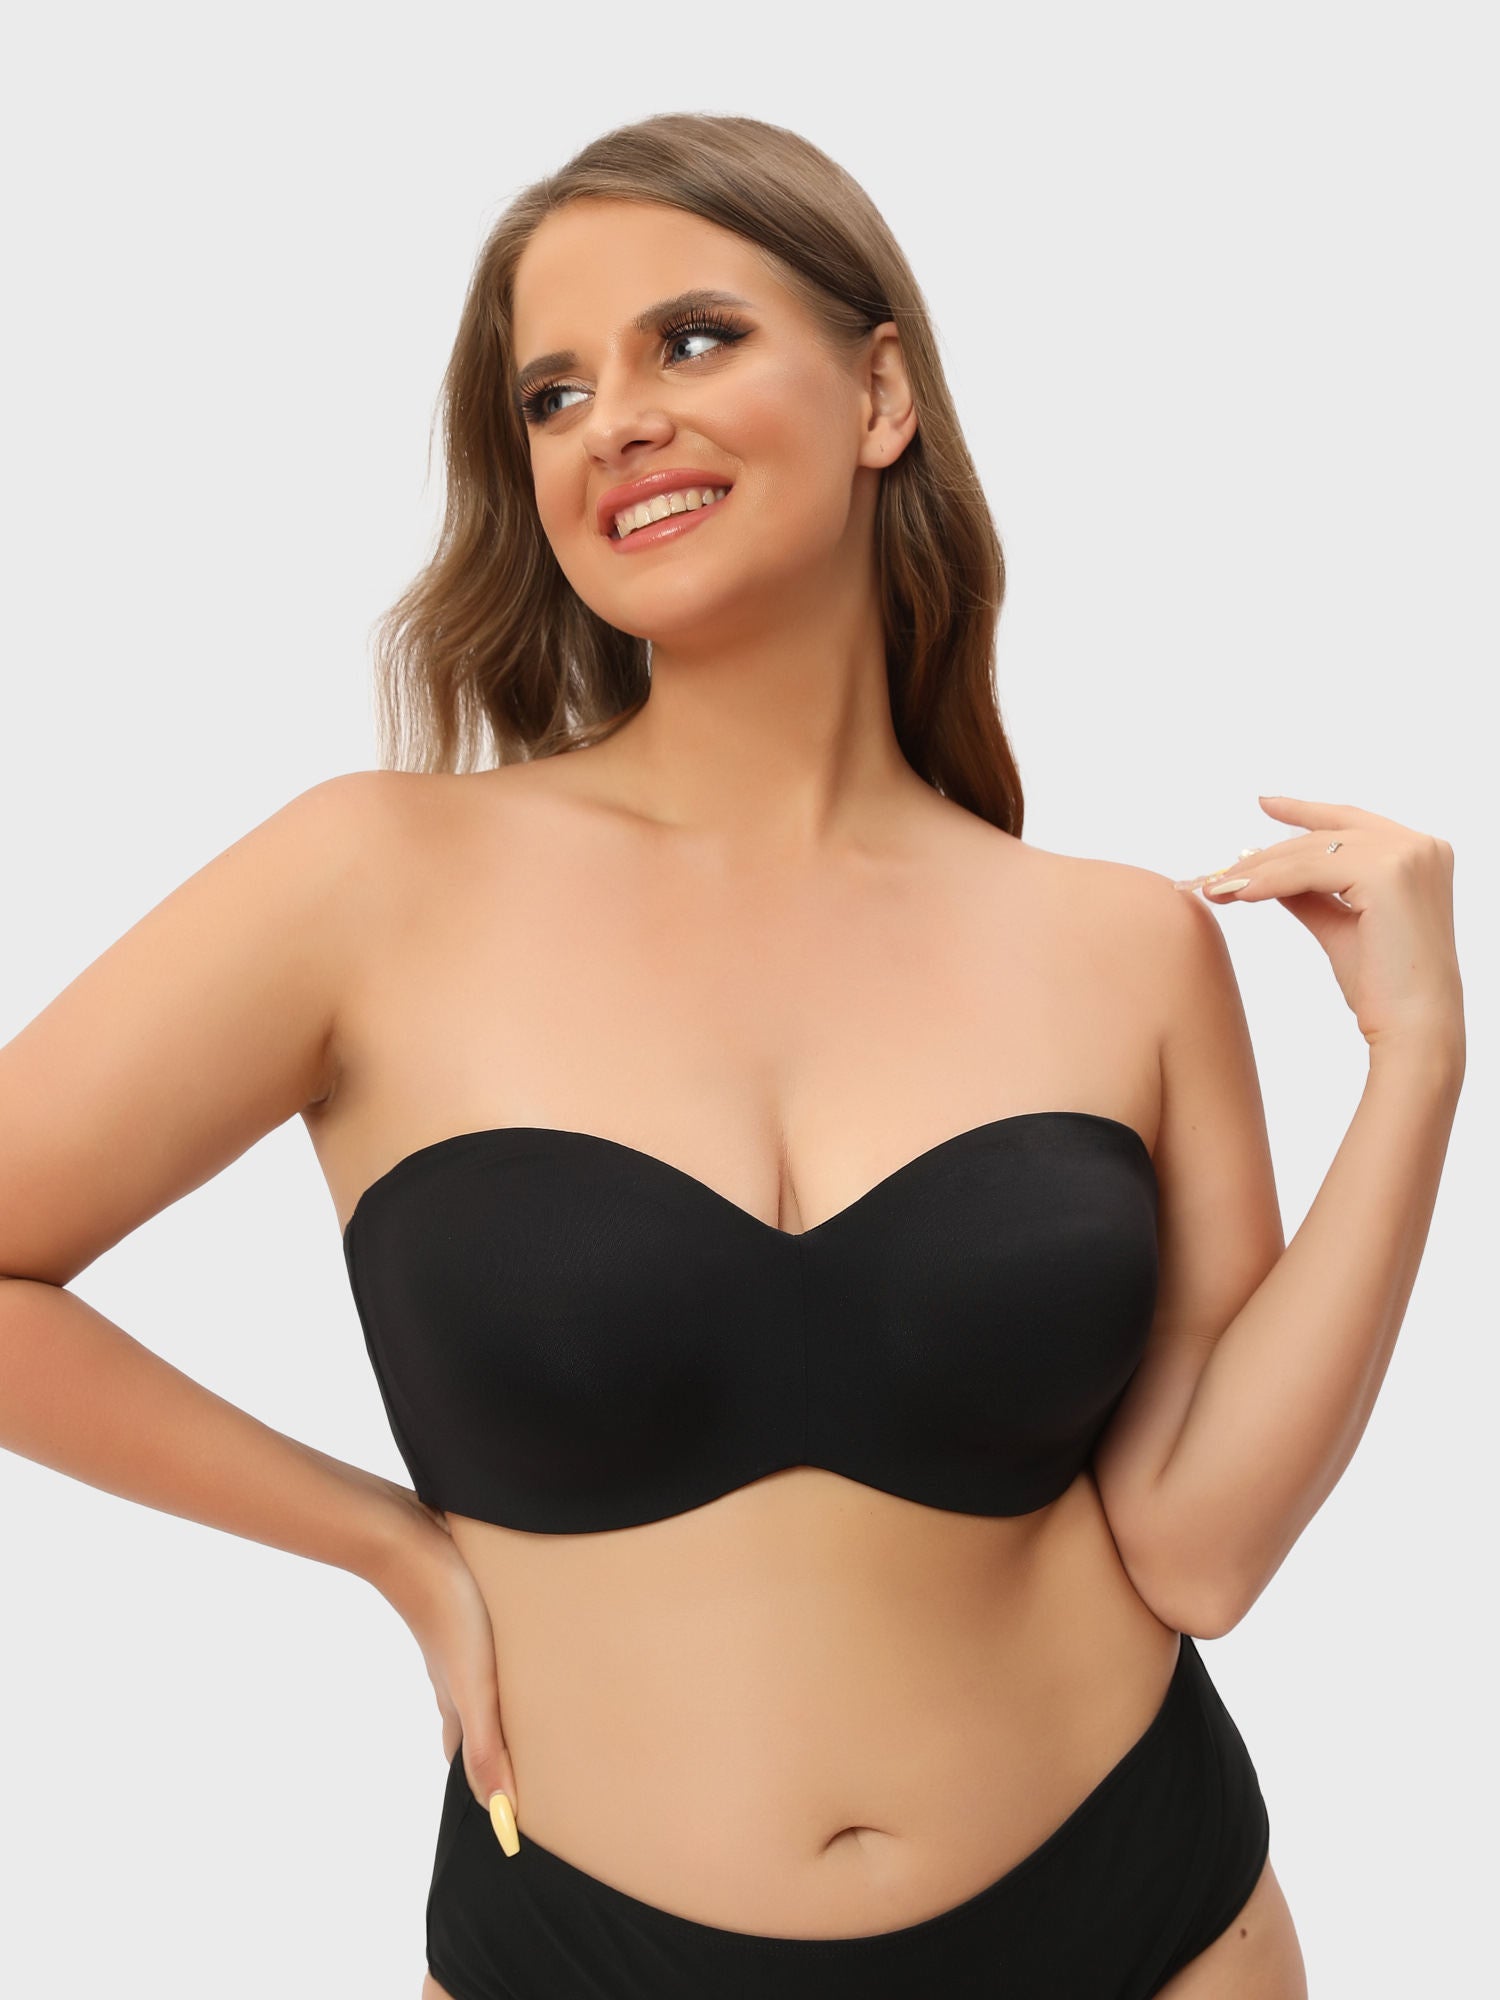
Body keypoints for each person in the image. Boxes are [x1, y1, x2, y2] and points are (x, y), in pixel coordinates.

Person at [0, 112, 1464, 2000]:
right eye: (551, 394)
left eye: (689, 340)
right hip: (580, 1944)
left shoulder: (1124, 944)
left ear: (881, 396)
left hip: (1146, 1915)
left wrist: (1417, 1059)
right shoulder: (372, 880)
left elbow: (1201, 1554)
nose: (613, 420)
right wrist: (390, 1547)